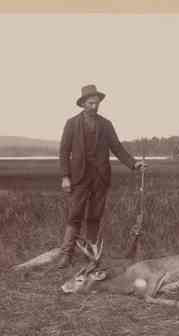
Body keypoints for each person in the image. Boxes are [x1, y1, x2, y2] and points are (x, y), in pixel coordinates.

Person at [58, 84, 146, 268]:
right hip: (79, 178)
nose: (94, 107)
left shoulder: (106, 124)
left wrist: (133, 163)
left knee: (94, 216)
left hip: (100, 178)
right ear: (83, 104)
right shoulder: (72, 124)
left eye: (96, 103)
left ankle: (90, 255)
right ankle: (66, 254)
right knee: (75, 215)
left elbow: (117, 147)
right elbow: (64, 152)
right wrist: (66, 177)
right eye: (90, 103)